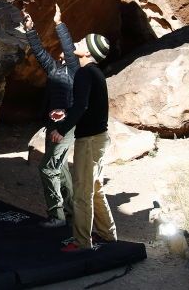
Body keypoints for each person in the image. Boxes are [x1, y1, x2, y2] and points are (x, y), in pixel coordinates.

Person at [47, 32, 117, 252]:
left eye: (81, 42)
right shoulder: (96, 73)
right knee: (95, 188)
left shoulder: (85, 74)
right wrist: (65, 114)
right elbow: (85, 106)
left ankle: (81, 242)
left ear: (87, 52)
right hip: (99, 138)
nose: (77, 42)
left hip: (88, 140)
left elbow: (82, 106)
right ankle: (107, 233)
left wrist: (62, 129)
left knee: (82, 193)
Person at [22, 4, 79, 229]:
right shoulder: (55, 69)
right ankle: (70, 212)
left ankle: (57, 216)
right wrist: (29, 29)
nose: (63, 51)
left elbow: (69, 47)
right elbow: (39, 52)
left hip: (65, 127)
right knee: (60, 168)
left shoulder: (76, 70)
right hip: (52, 125)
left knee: (48, 168)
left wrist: (59, 24)